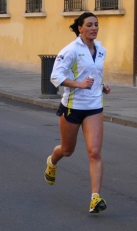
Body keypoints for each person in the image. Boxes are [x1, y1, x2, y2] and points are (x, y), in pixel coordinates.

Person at [44, 12, 111, 213]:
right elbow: (55, 77)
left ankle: (95, 198)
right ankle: (52, 160)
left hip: (94, 107)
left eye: (96, 25)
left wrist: (103, 86)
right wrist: (79, 84)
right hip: (72, 107)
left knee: (95, 152)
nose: (94, 28)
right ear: (80, 28)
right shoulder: (70, 50)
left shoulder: (101, 50)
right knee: (67, 150)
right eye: (89, 25)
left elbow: (95, 74)